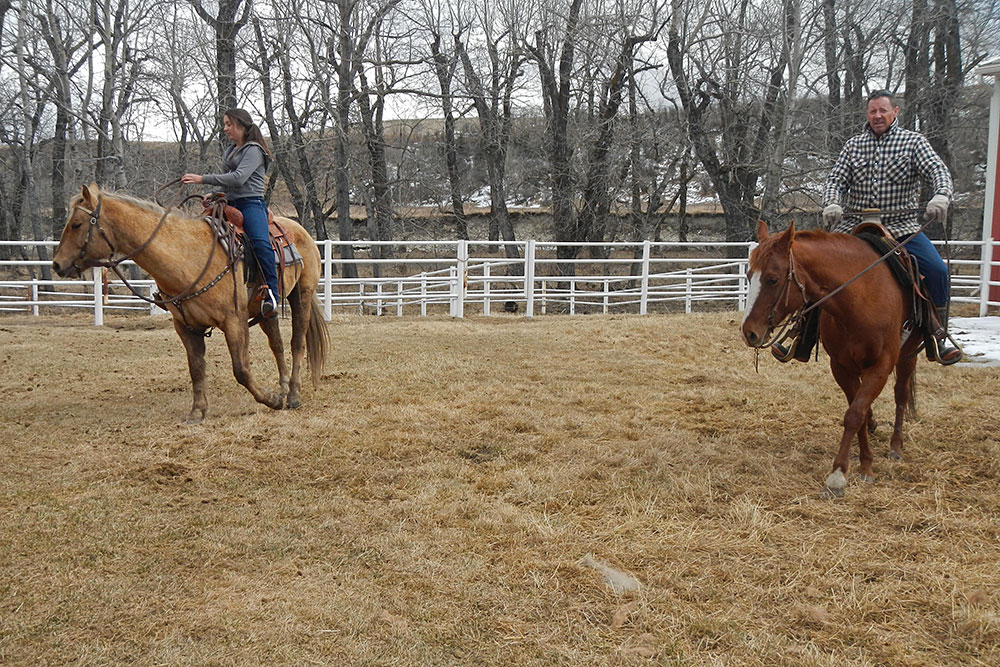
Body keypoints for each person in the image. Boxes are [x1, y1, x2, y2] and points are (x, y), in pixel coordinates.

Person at [821, 89, 961, 365]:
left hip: (901, 227)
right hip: (856, 228)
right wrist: (832, 203)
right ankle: (802, 333)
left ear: (895, 111)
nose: (877, 116)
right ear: (867, 114)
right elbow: (834, 180)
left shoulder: (913, 143)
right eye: (872, 111)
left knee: (937, 270)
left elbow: (938, 171)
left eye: (883, 110)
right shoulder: (853, 146)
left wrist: (941, 195)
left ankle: (939, 336)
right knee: (817, 268)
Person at [182, 108, 278, 318]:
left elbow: (238, 178)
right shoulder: (231, 150)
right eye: (224, 124)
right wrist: (216, 194)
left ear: (242, 126)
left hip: (251, 204)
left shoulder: (253, 150)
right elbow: (231, 183)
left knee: (261, 243)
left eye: (229, 124)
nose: (225, 128)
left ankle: (272, 293)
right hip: (229, 202)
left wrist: (202, 179)